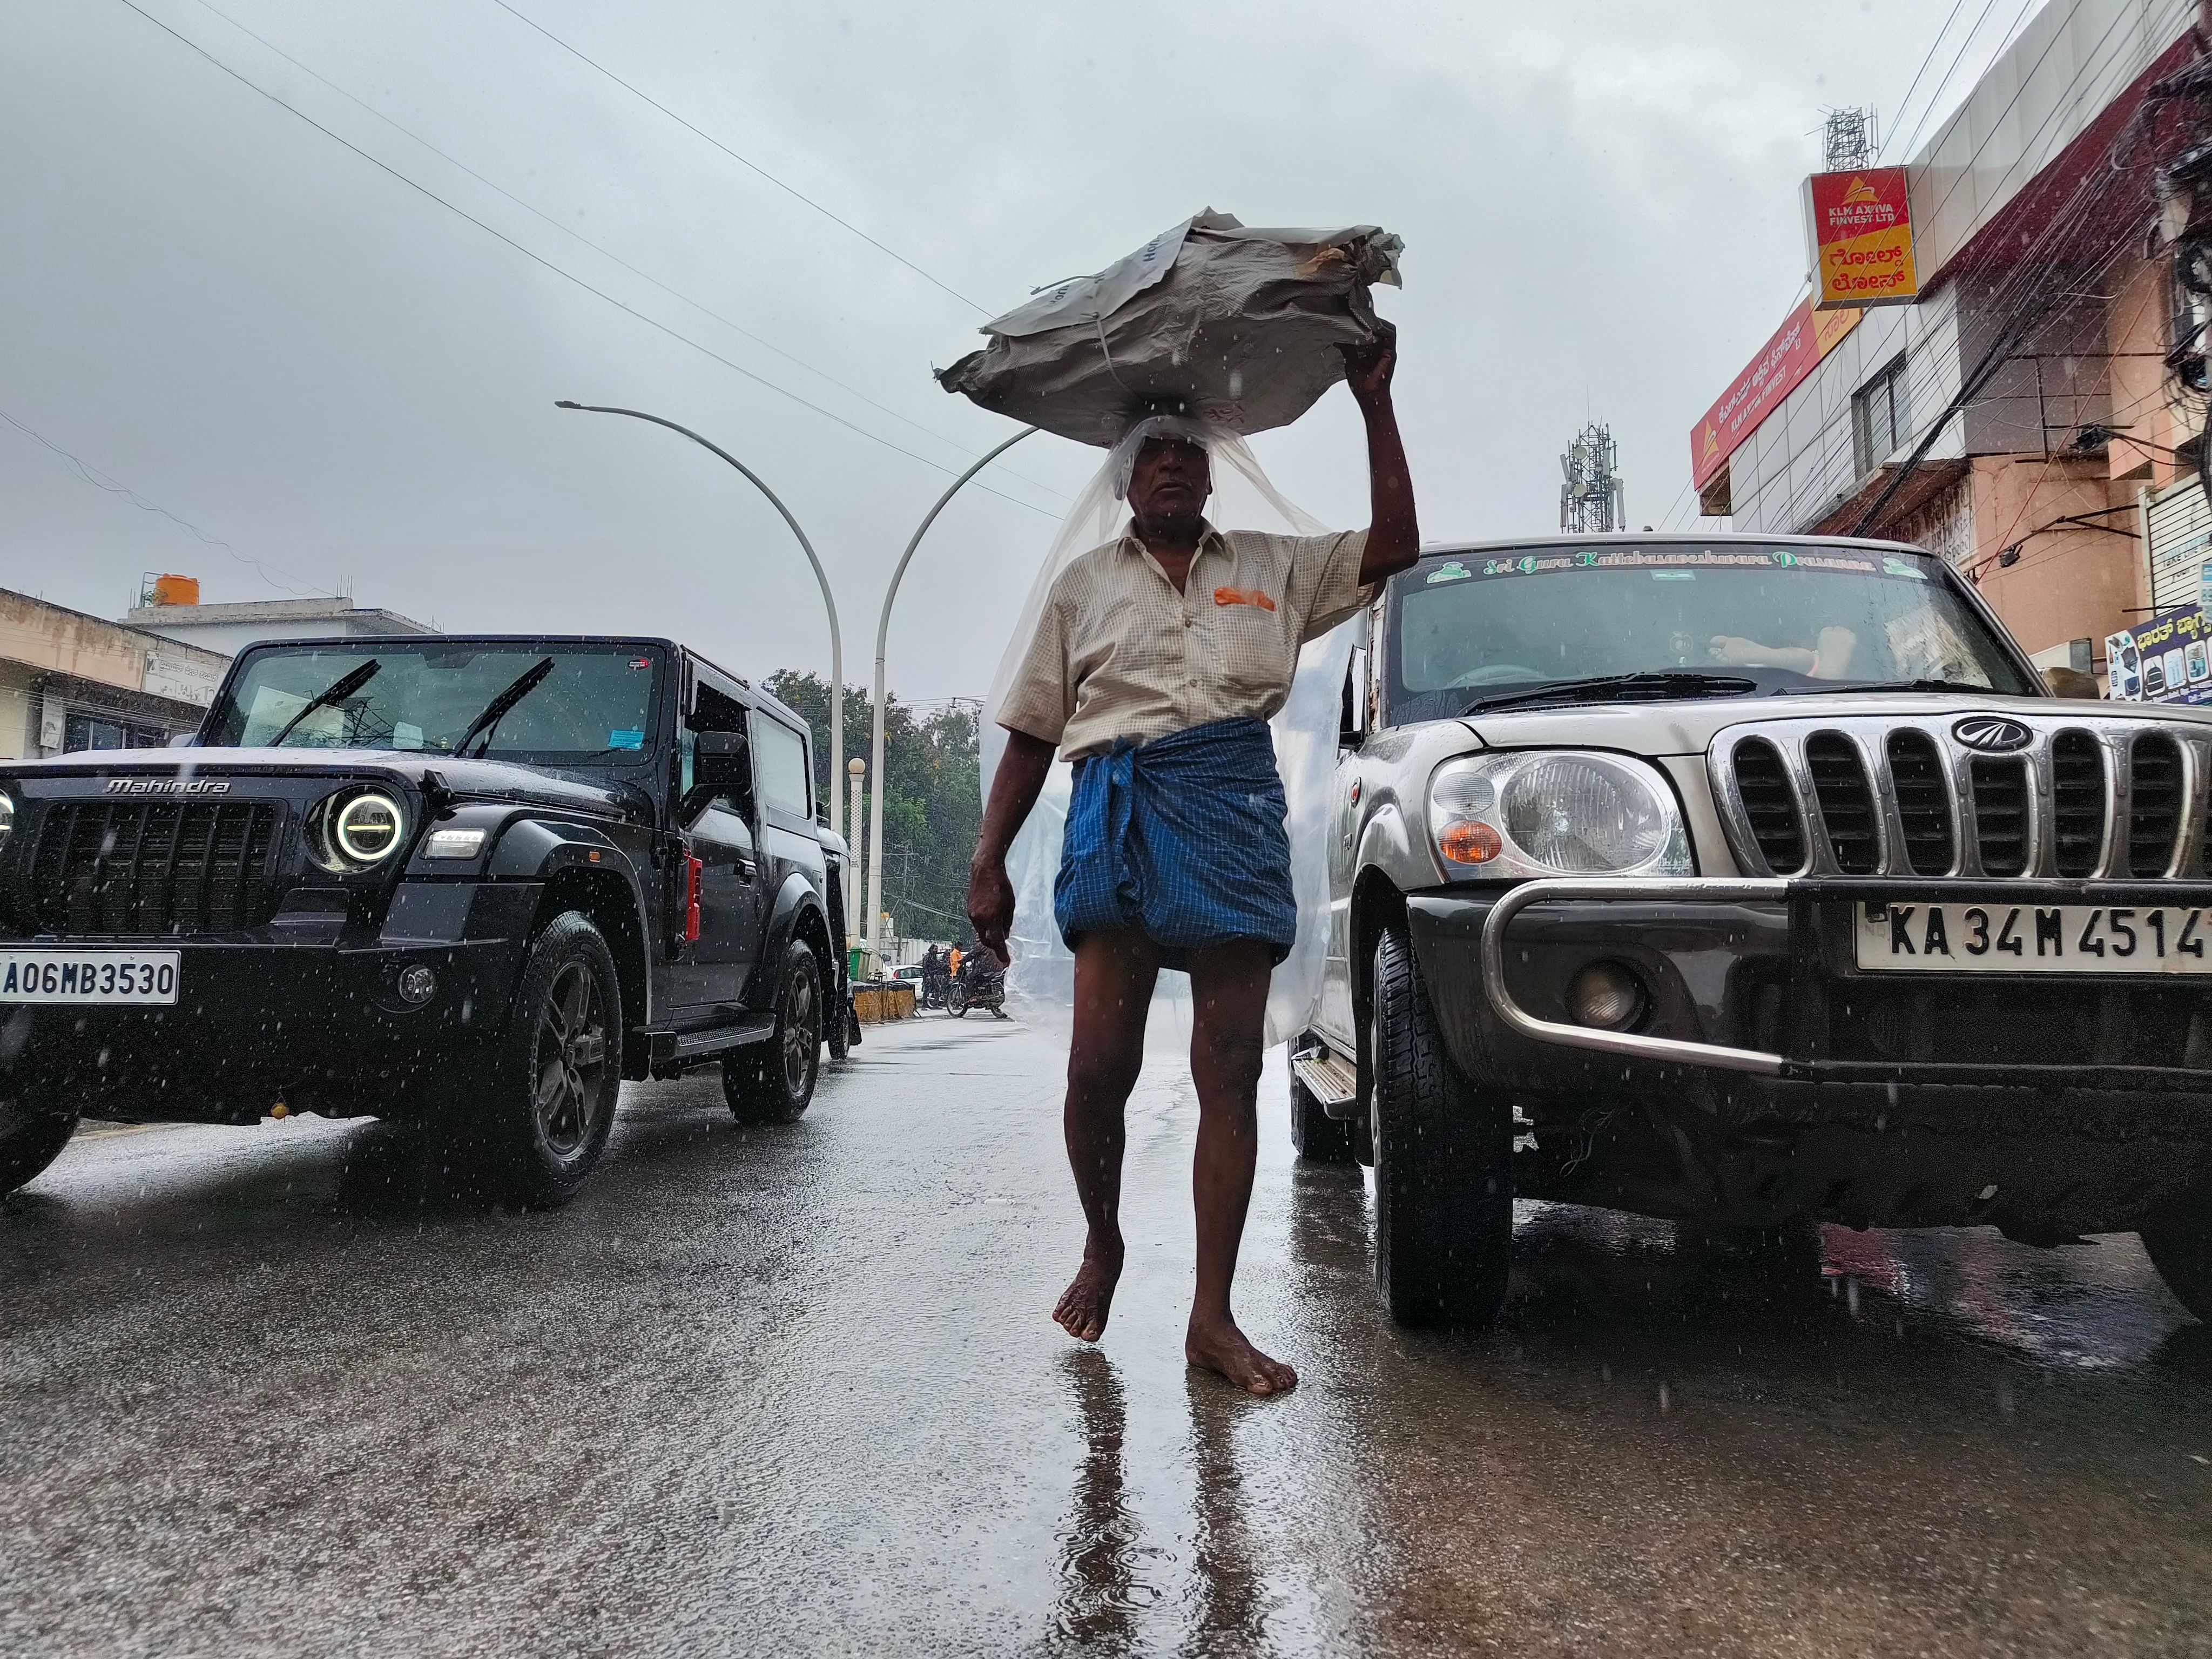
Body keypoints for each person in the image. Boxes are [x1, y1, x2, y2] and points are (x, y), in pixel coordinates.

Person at [968, 331, 1418, 1397]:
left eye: (1185, 450)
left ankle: (1210, 1317)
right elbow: (1032, 732)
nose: (1168, 462)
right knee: (1095, 1075)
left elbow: (1395, 545)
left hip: (1227, 808)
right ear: (1124, 483)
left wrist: (1373, 403)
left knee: (1228, 1073)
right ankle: (1103, 1240)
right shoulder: (1082, 587)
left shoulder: (1271, 567)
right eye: (1150, 453)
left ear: (1211, 475)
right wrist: (987, 862)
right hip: (1112, 813)